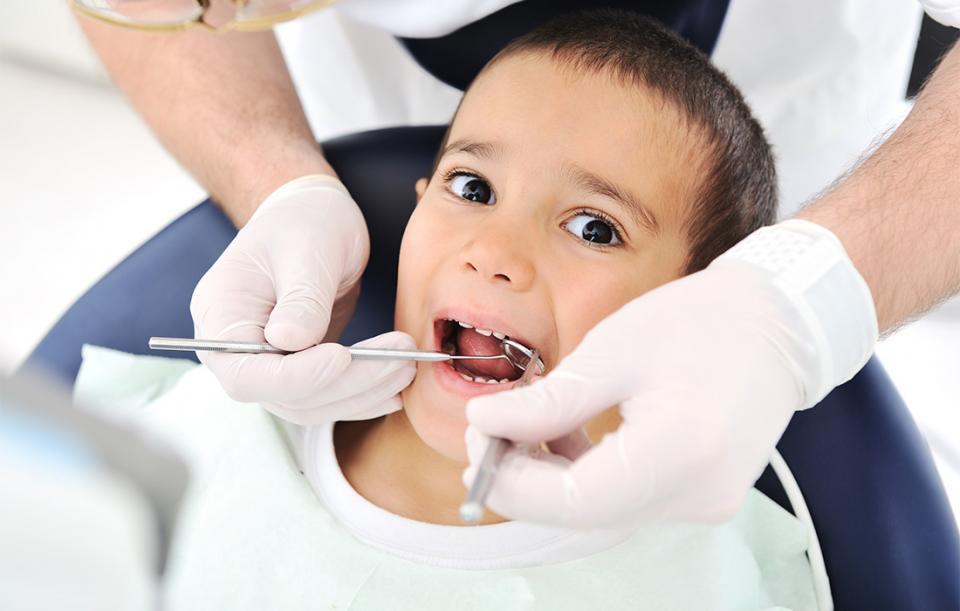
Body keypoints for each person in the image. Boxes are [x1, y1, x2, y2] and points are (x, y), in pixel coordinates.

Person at [73, 0, 960, 527]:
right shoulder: (195, 455)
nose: (495, 254)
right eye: (470, 187)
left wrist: (787, 312)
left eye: (595, 229)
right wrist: (277, 181)